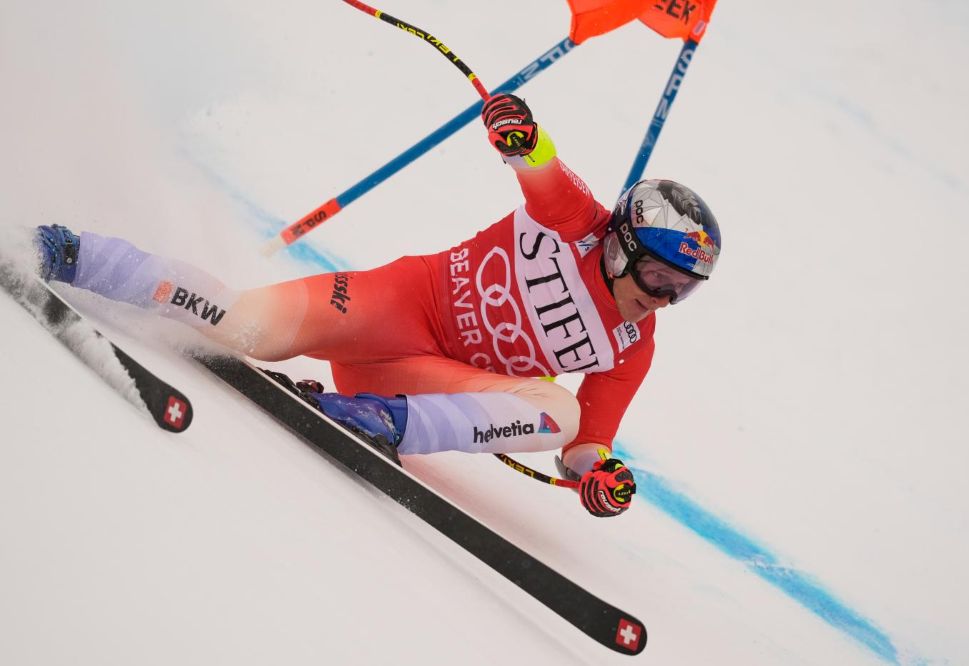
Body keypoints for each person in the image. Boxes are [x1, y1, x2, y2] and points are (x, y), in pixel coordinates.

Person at [33, 94, 722, 518]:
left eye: (683, 290)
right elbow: (540, 163)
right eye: (659, 276)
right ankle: (73, 254)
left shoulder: (633, 346)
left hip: (414, 386)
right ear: (622, 245)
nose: (662, 298)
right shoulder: (577, 220)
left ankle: (380, 423)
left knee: (559, 411)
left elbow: (583, 443)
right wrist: (517, 130)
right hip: (390, 307)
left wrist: (596, 476)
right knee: (246, 326)